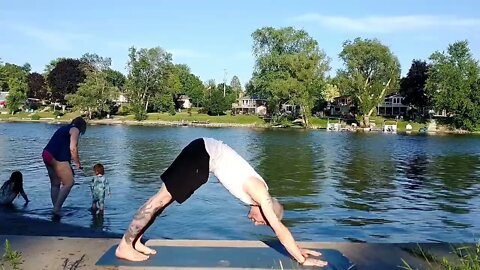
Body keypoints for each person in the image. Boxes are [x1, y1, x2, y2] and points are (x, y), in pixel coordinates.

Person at [115, 138, 327, 267]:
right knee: (159, 200)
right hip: (201, 155)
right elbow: (279, 228)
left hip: (203, 157)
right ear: (266, 210)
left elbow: (278, 228)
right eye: (262, 222)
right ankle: (124, 246)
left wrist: (298, 248)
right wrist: (301, 259)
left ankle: (135, 242)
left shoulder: (260, 195)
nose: (256, 223)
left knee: (164, 203)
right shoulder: (260, 193)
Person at [42, 116, 87, 216]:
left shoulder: (64, 128)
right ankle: (57, 209)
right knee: (69, 183)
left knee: (55, 183)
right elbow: (73, 148)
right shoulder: (75, 130)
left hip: (46, 153)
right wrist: (78, 163)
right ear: (82, 126)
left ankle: (56, 208)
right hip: (57, 157)